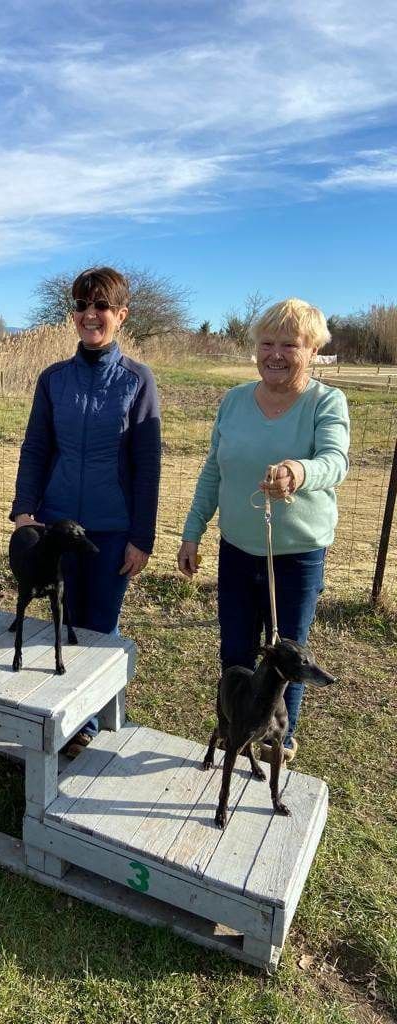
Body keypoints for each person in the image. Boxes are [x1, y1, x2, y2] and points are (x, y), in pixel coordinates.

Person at [177, 298, 349, 761]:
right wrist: (193, 530)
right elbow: (213, 470)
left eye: (289, 344)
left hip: (296, 555)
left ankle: (279, 741)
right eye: (267, 343)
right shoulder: (234, 402)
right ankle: (235, 732)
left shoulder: (326, 402)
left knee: (286, 656)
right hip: (237, 549)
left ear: (312, 350)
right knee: (235, 651)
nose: (275, 353)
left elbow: (336, 461)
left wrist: (299, 470)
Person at [11, 266, 161, 754]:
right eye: (82, 306)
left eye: (101, 307)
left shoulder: (138, 381)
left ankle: (96, 719)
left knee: (100, 624)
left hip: (111, 529)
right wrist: (24, 509)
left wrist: (143, 537)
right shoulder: (53, 379)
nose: (90, 315)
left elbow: (147, 464)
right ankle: (63, 716)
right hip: (54, 523)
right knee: (62, 617)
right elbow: (36, 447)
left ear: (120, 315)